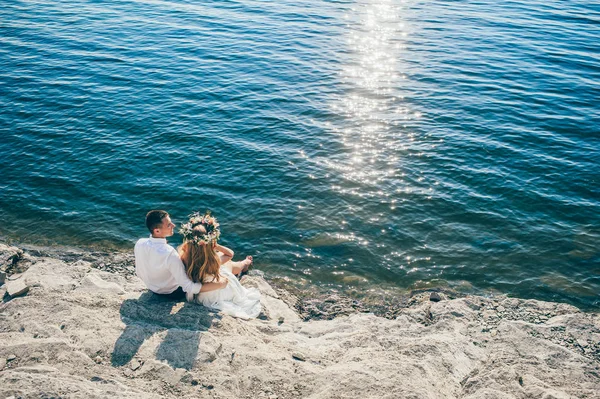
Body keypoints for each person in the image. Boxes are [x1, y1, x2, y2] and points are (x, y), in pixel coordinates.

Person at [178, 211, 261, 319]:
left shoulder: (184, 257)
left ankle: (244, 263)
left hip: (201, 295)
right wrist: (216, 246)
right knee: (229, 264)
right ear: (210, 240)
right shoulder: (213, 261)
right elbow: (230, 254)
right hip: (216, 293)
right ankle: (245, 263)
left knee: (224, 262)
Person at [134, 210, 227, 300]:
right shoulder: (169, 253)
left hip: (151, 287)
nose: (173, 225)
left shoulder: (140, 243)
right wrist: (220, 284)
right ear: (157, 231)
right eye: (169, 225)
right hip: (171, 293)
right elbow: (189, 287)